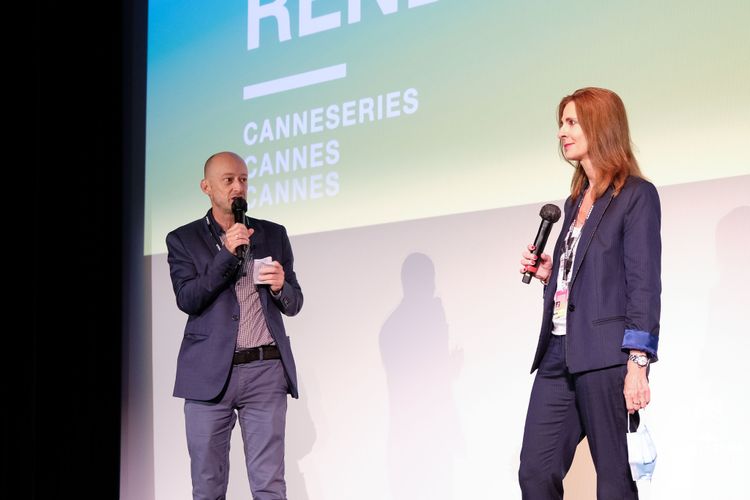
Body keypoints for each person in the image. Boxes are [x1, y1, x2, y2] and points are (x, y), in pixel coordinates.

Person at [517, 87, 661, 499]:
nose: (561, 132)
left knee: (614, 481)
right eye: (561, 123)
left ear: (599, 126)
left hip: (606, 355)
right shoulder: (574, 201)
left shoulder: (636, 195)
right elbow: (586, 275)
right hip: (557, 352)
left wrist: (638, 363)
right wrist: (551, 275)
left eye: (571, 122)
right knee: (535, 472)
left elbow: (644, 283)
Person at [166, 151, 303, 500]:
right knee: (207, 486)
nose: (237, 187)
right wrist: (226, 254)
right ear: (206, 187)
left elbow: (295, 301)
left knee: (270, 485)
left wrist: (281, 287)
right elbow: (188, 298)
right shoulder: (182, 239)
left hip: (265, 370)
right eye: (228, 180)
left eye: (243, 179)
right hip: (208, 374)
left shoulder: (273, 233)